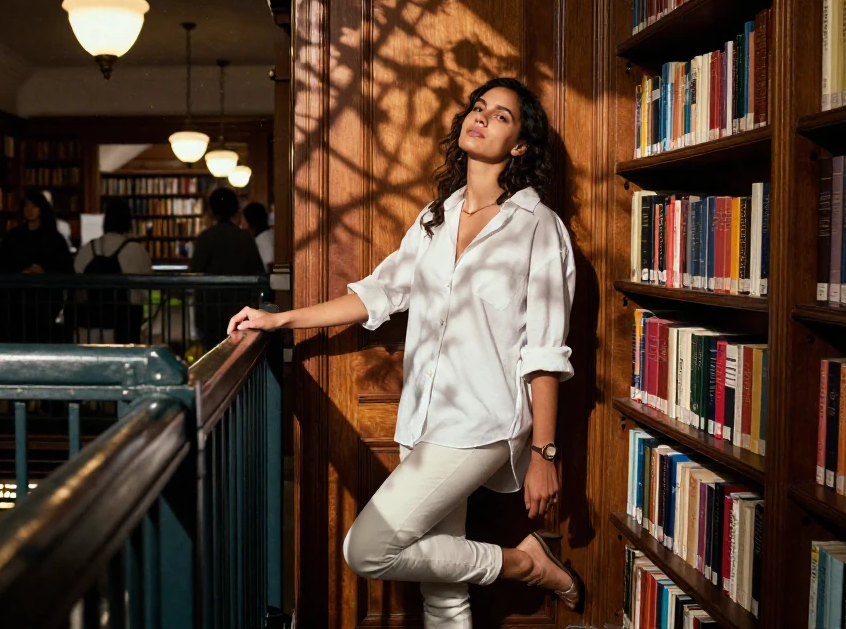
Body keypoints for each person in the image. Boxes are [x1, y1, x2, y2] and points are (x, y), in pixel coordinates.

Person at [226, 77, 581, 625]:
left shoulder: (538, 228)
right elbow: (379, 293)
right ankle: (524, 562)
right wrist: (281, 319)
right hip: (423, 417)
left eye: (501, 116)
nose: (481, 117)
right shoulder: (437, 218)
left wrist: (544, 453)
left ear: (519, 146)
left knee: (368, 548)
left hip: (484, 422)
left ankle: (525, 564)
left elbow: (545, 352)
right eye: (478, 107)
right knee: (443, 594)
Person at [190, 187, 265, 350]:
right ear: (236, 209)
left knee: (212, 353)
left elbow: (194, 271)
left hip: (209, 309)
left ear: (211, 211)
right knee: (240, 352)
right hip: (240, 307)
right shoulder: (245, 237)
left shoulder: (205, 238)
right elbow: (258, 271)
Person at [0, 191, 73, 342]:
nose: (29, 210)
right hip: (16, 303)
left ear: (41, 209)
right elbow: (1, 268)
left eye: (34, 206)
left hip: (44, 303)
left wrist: (45, 273)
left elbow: (66, 270)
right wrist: (19, 273)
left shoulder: (54, 239)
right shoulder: (13, 237)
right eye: (26, 206)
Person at [74, 198, 153, 344]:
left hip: (90, 323)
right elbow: (145, 291)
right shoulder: (136, 250)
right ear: (128, 221)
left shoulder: (89, 248)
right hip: (125, 325)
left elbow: (76, 284)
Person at [241, 201, 275, 271]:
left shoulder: (263, 240)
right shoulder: (269, 234)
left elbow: (270, 264)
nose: (242, 226)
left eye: (244, 222)